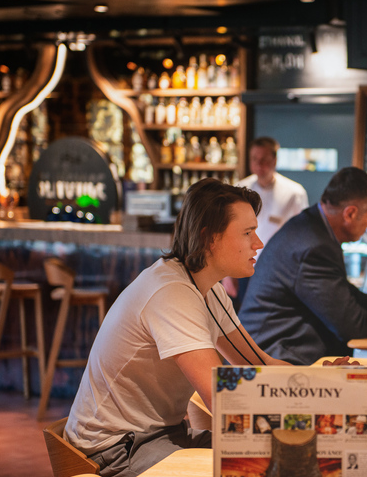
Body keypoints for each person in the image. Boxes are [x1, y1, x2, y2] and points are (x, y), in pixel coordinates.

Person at [64, 178, 301, 477]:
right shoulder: (171, 292)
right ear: (209, 238)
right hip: (115, 448)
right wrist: (302, 420)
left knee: (282, 458)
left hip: (165, 435)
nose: (259, 243)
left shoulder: (209, 288)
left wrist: (334, 386)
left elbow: (258, 364)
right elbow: (222, 398)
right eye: (247, 232)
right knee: (265, 463)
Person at [239, 167, 367, 365]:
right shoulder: (314, 246)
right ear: (350, 213)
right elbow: (351, 325)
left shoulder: (313, 226)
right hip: (276, 361)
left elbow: (339, 286)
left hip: (281, 351)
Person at [224, 137, 309, 310]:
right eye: (254, 159)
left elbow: (303, 236)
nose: (258, 164)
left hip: (279, 270)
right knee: (242, 316)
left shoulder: (294, 192)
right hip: (244, 266)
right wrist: (227, 273)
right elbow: (229, 232)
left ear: (274, 160)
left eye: (263, 159)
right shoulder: (239, 188)